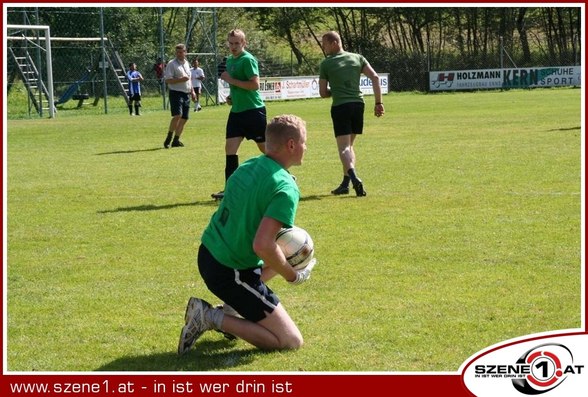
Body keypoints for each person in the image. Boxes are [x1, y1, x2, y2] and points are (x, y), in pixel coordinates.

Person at [178, 114, 315, 354]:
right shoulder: (285, 187)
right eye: (304, 142)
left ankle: (231, 307)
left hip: (209, 254)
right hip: (230, 272)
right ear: (291, 145)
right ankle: (209, 316)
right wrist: (293, 275)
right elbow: (262, 245)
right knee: (290, 340)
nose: (306, 147)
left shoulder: (250, 164)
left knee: (273, 259)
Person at [319, 31, 385, 197]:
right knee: (350, 146)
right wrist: (378, 103)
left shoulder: (326, 64)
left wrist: (335, 91)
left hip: (341, 106)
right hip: (358, 105)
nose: (323, 48)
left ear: (334, 43)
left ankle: (354, 178)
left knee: (344, 147)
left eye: (325, 44)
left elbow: (322, 93)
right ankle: (345, 184)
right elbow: (375, 78)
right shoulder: (358, 58)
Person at [212, 29, 267, 200]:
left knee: (266, 149)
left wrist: (230, 81)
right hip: (237, 112)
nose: (233, 47)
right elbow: (238, 86)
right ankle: (231, 190)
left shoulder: (248, 60)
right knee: (230, 149)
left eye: (237, 43)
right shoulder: (229, 61)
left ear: (244, 43)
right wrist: (231, 96)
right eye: (231, 43)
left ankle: (285, 175)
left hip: (253, 111)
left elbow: (255, 85)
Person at [163, 44, 196, 148]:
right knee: (177, 115)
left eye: (182, 52)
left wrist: (192, 91)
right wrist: (180, 79)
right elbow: (168, 80)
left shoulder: (186, 63)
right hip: (176, 92)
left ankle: (176, 140)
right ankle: (168, 138)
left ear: (185, 52)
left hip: (186, 93)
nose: (180, 54)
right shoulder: (171, 64)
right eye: (178, 52)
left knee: (185, 118)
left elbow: (189, 79)